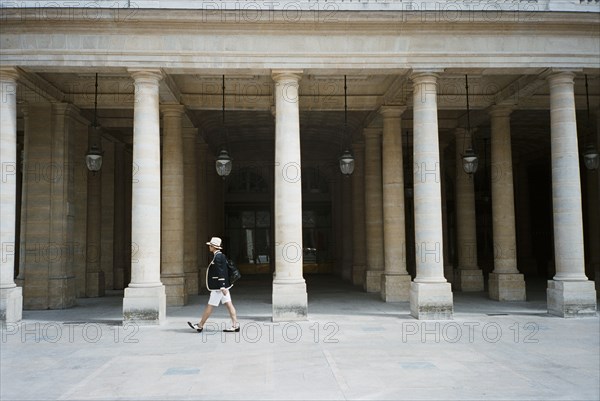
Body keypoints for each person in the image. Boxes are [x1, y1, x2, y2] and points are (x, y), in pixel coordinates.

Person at [187, 237, 240, 333]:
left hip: (218, 288)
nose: (209, 247)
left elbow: (221, 272)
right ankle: (235, 325)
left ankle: (200, 325)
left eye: (210, 246)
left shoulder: (218, 257)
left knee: (210, 306)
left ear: (214, 247)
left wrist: (222, 286)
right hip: (222, 287)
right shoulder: (220, 256)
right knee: (229, 305)